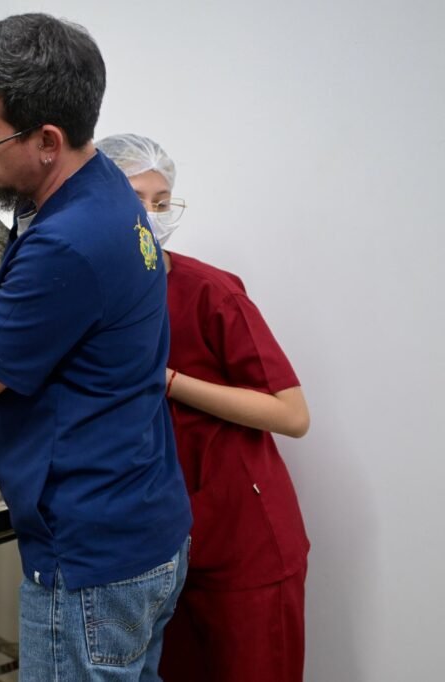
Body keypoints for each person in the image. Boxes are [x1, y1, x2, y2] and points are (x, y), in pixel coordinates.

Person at [0, 14, 192, 681]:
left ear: (47, 141)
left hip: (92, 566)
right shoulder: (104, 187)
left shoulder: (68, 242)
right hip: (144, 528)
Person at [97, 133, 311, 682]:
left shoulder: (209, 291)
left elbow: (291, 414)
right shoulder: (93, 298)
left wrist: (170, 381)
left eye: (162, 201)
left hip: (242, 539)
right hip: (159, 550)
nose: (151, 215)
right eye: (135, 199)